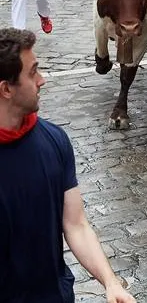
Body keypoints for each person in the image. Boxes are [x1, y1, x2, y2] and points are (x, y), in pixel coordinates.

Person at [0, 28, 136, 303]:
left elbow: (75, 225)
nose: (42, 80)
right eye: (33, 72)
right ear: (6, 89)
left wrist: (111, 283)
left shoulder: (54, 140)